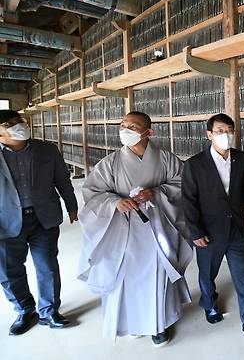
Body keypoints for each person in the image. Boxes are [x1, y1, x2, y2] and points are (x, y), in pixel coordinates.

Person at [77, 111, 192, 347]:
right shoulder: (110, 163)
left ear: (148, 132)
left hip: (158, 229)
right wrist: (115, 202)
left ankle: (158, 325)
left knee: (157, 276)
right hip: (123, 232)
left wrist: (157, 193)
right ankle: (132, 322)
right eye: (123, 125)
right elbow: (92, 193)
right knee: (125, 280)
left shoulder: (166, 159)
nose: (125, 130)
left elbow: (183, 183)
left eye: (133, 126)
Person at [182, 113, 244, 333]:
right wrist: (195, 232)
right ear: (209, 134)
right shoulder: (194, 164)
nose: (226, 135)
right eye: (220, 131)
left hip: (237, 227)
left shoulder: (241, 158)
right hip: (208, 231)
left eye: (229, 130)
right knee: (207, 274)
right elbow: (188, 201)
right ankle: (210, 305)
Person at [0, 110, 77, 336]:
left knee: (47, 266)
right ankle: (24, 309)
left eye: (19, 121)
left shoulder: (47, 149)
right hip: (6, 222)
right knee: (9, 271)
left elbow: (62, 178)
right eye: (9, 124)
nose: (18, 126)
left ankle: (49, 311)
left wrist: (71, 205)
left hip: (43, 217)